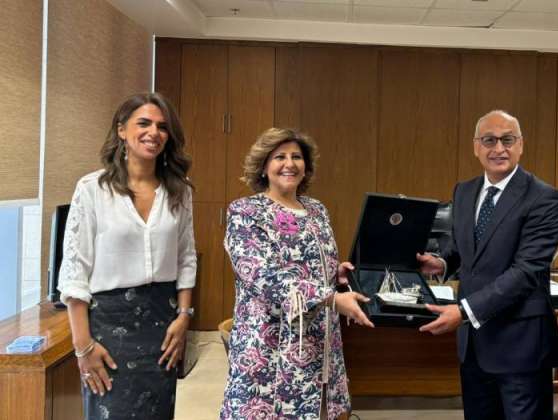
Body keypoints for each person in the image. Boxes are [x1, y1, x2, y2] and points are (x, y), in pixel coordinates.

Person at [417, 110, 558, 419]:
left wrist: (464, 312)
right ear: (476, 146)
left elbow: (526, 272)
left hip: (521, 347)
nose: (499, 148)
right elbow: (463, 249)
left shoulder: (543, 197)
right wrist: (441, 263)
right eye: (489, 140)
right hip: (474, 346)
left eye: (507, 140)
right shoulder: (464, 190)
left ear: (520, 145)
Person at [58, 92, 197, 419]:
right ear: (121, 130)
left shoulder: (179, 190)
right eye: (144, 123)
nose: (154, 133)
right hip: (109, 325)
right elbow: (75, 270)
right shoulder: (92, 189)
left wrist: (184, 317)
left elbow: (186, 257)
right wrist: (83, 347)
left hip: (163, 325)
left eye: (162, 127)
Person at [220, 128, 374, 420]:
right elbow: (263, 276)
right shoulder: (246, 212)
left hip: (319, 340)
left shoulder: (316, 210)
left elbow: (311, 264)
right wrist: (331, 298)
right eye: (279, 157)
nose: (289, 164)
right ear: (264, 166)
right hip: (269, 344)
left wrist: (336, 274)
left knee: (319, 411)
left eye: (297, 157)